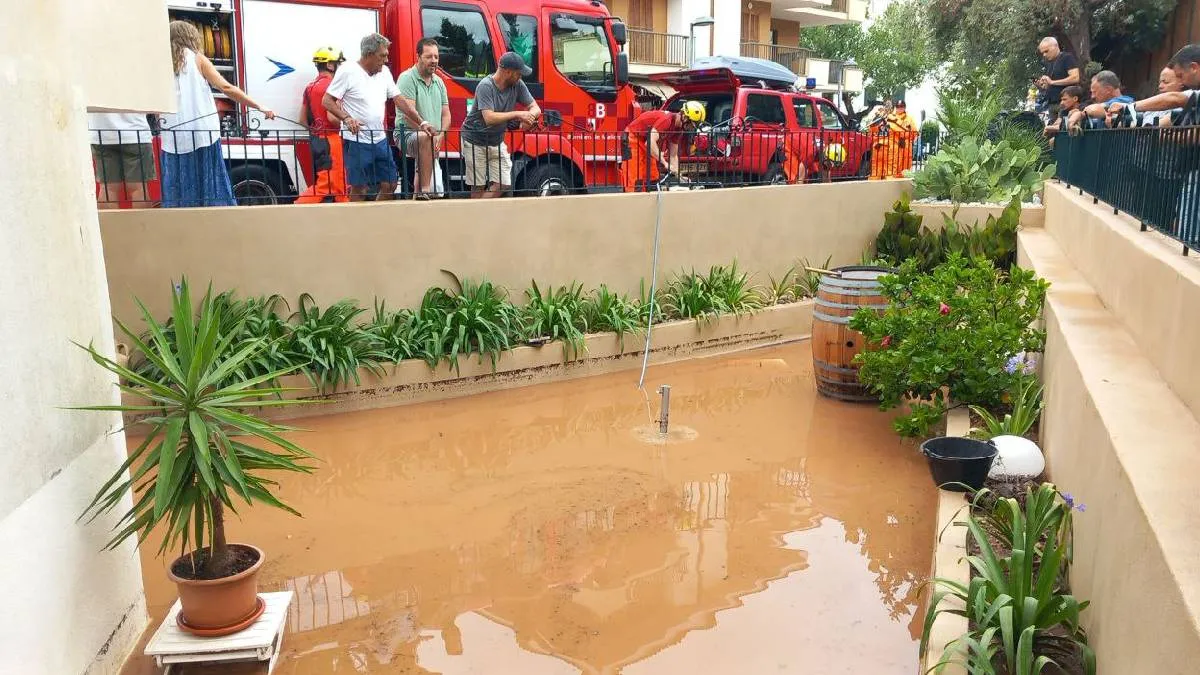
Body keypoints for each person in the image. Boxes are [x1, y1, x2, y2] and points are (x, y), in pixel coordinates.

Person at [160, 20, 275, 208]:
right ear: (190, 36)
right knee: (210, 179)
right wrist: (258, 106)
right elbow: (225, 87)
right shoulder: (198, 59)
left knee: (177, 183)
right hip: (202, 133)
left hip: (172, 136)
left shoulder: (162, 64)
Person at [323, 33, 431, 201]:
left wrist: (422, 122)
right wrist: (347, 118)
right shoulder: (348, 71)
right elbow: (327, 100)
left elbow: (399, 100)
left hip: (379, 139)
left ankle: (378, 218)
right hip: (356, 140)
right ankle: (357, 224)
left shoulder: (384, 72)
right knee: (360, 187)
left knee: (390, 184)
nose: (386, 59)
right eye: (383, 55)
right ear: (368, 55)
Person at [459, 52, 541, 198]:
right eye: (518, 73)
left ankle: (480, 211)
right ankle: (477, 216)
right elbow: (489, 118)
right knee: (477, 186)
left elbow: (535, 107)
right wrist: (518, 114)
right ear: (508, 72)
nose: (521, 77)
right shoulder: (485, 86)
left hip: (496, 140)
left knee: (504, 183)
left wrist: (529, 119)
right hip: (474, 140)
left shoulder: (518, 84)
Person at [395, 38, 451, 199]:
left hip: (431, 136)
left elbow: (446, 114)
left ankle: (419, 197)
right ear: (418, 56)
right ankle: (424, 191)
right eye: (429, 57)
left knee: (425, 147)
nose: (434, 61)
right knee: (424, 139)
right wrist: (429, 134)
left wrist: (440, 136)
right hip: (406, 134)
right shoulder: (407, 78)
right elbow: (408, 114)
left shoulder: (439, 82)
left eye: (436, 57)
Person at [295, 47, 349, 204]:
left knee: (339, 185)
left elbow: (302, 120)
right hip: (332, 140)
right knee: (328, 185)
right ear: (330, 66)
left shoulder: (310, 87)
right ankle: (296, 207)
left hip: (317, 139)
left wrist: (317, 130)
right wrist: (349, 123)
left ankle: (345, 216)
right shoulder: (332, 85)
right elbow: (332, 118)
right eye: (337, 63)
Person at [620, 101, 705, 192]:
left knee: (652, 178)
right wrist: (665, 163)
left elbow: (673, 155)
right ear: (684, 117)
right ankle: (633, 202)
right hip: (633, 138)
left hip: (646, 141)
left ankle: (648, 202)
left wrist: (679, 176)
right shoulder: (666, 120)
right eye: (691, 124)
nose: (691, 128)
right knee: (634, 178)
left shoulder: (679, 130)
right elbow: (649, 142)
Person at [89, 112, 155, 209]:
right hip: (135, 131)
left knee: (108, 189)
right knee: (139, 188)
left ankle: (109, 224)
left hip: (101, 132)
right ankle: (143, 223)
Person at [869, 100, 919, 180]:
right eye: (898, 107)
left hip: (900, 146)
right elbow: (873, 131)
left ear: (905, 107)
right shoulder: (886, 118)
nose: (900, 108)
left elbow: (913, 133)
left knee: (900, 169)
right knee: (881, 170)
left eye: (901, 106)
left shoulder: (908, 119)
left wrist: (906, 139)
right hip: (885, 147)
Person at [1036, 37, 1080, 118]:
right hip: (1051, 104)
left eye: (1046, 51)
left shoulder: (1067, 57)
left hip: (1065, 103)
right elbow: (1050, 84)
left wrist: (1052, 82)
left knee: (1062, 127)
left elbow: (1075, 78)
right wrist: (1042, 86)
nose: (1044, 55)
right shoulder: (1049, 63)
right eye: (1043, 53)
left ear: (1055, 46)